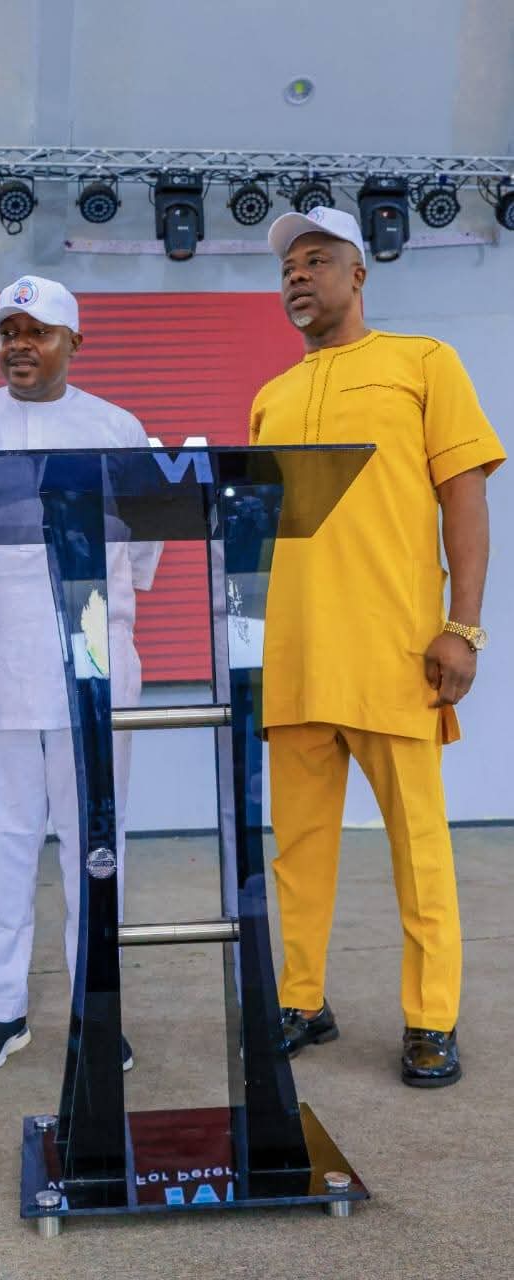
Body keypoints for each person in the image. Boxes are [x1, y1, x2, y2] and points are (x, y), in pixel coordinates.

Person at [252, 206, 505, 1088]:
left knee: (419, 848)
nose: (297, 276)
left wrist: (462, 627)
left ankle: (431, 1018)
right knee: (296, 850)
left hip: (394, 652)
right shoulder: (270, 397)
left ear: (358, 273)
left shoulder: (423, 362)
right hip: (294, 660)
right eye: (288, 267)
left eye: (316, 260)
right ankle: (301, 1000)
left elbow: (465, 497)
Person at [0, 275, 160, 1074]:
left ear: (72, 341)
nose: (19, 345)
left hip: (95, 670)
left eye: (37, 331)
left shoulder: (118, 428)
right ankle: (3, 1011)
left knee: (97, 852)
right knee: (4, 848)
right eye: (8, 332)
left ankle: (99, 1010)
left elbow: (144, 549)